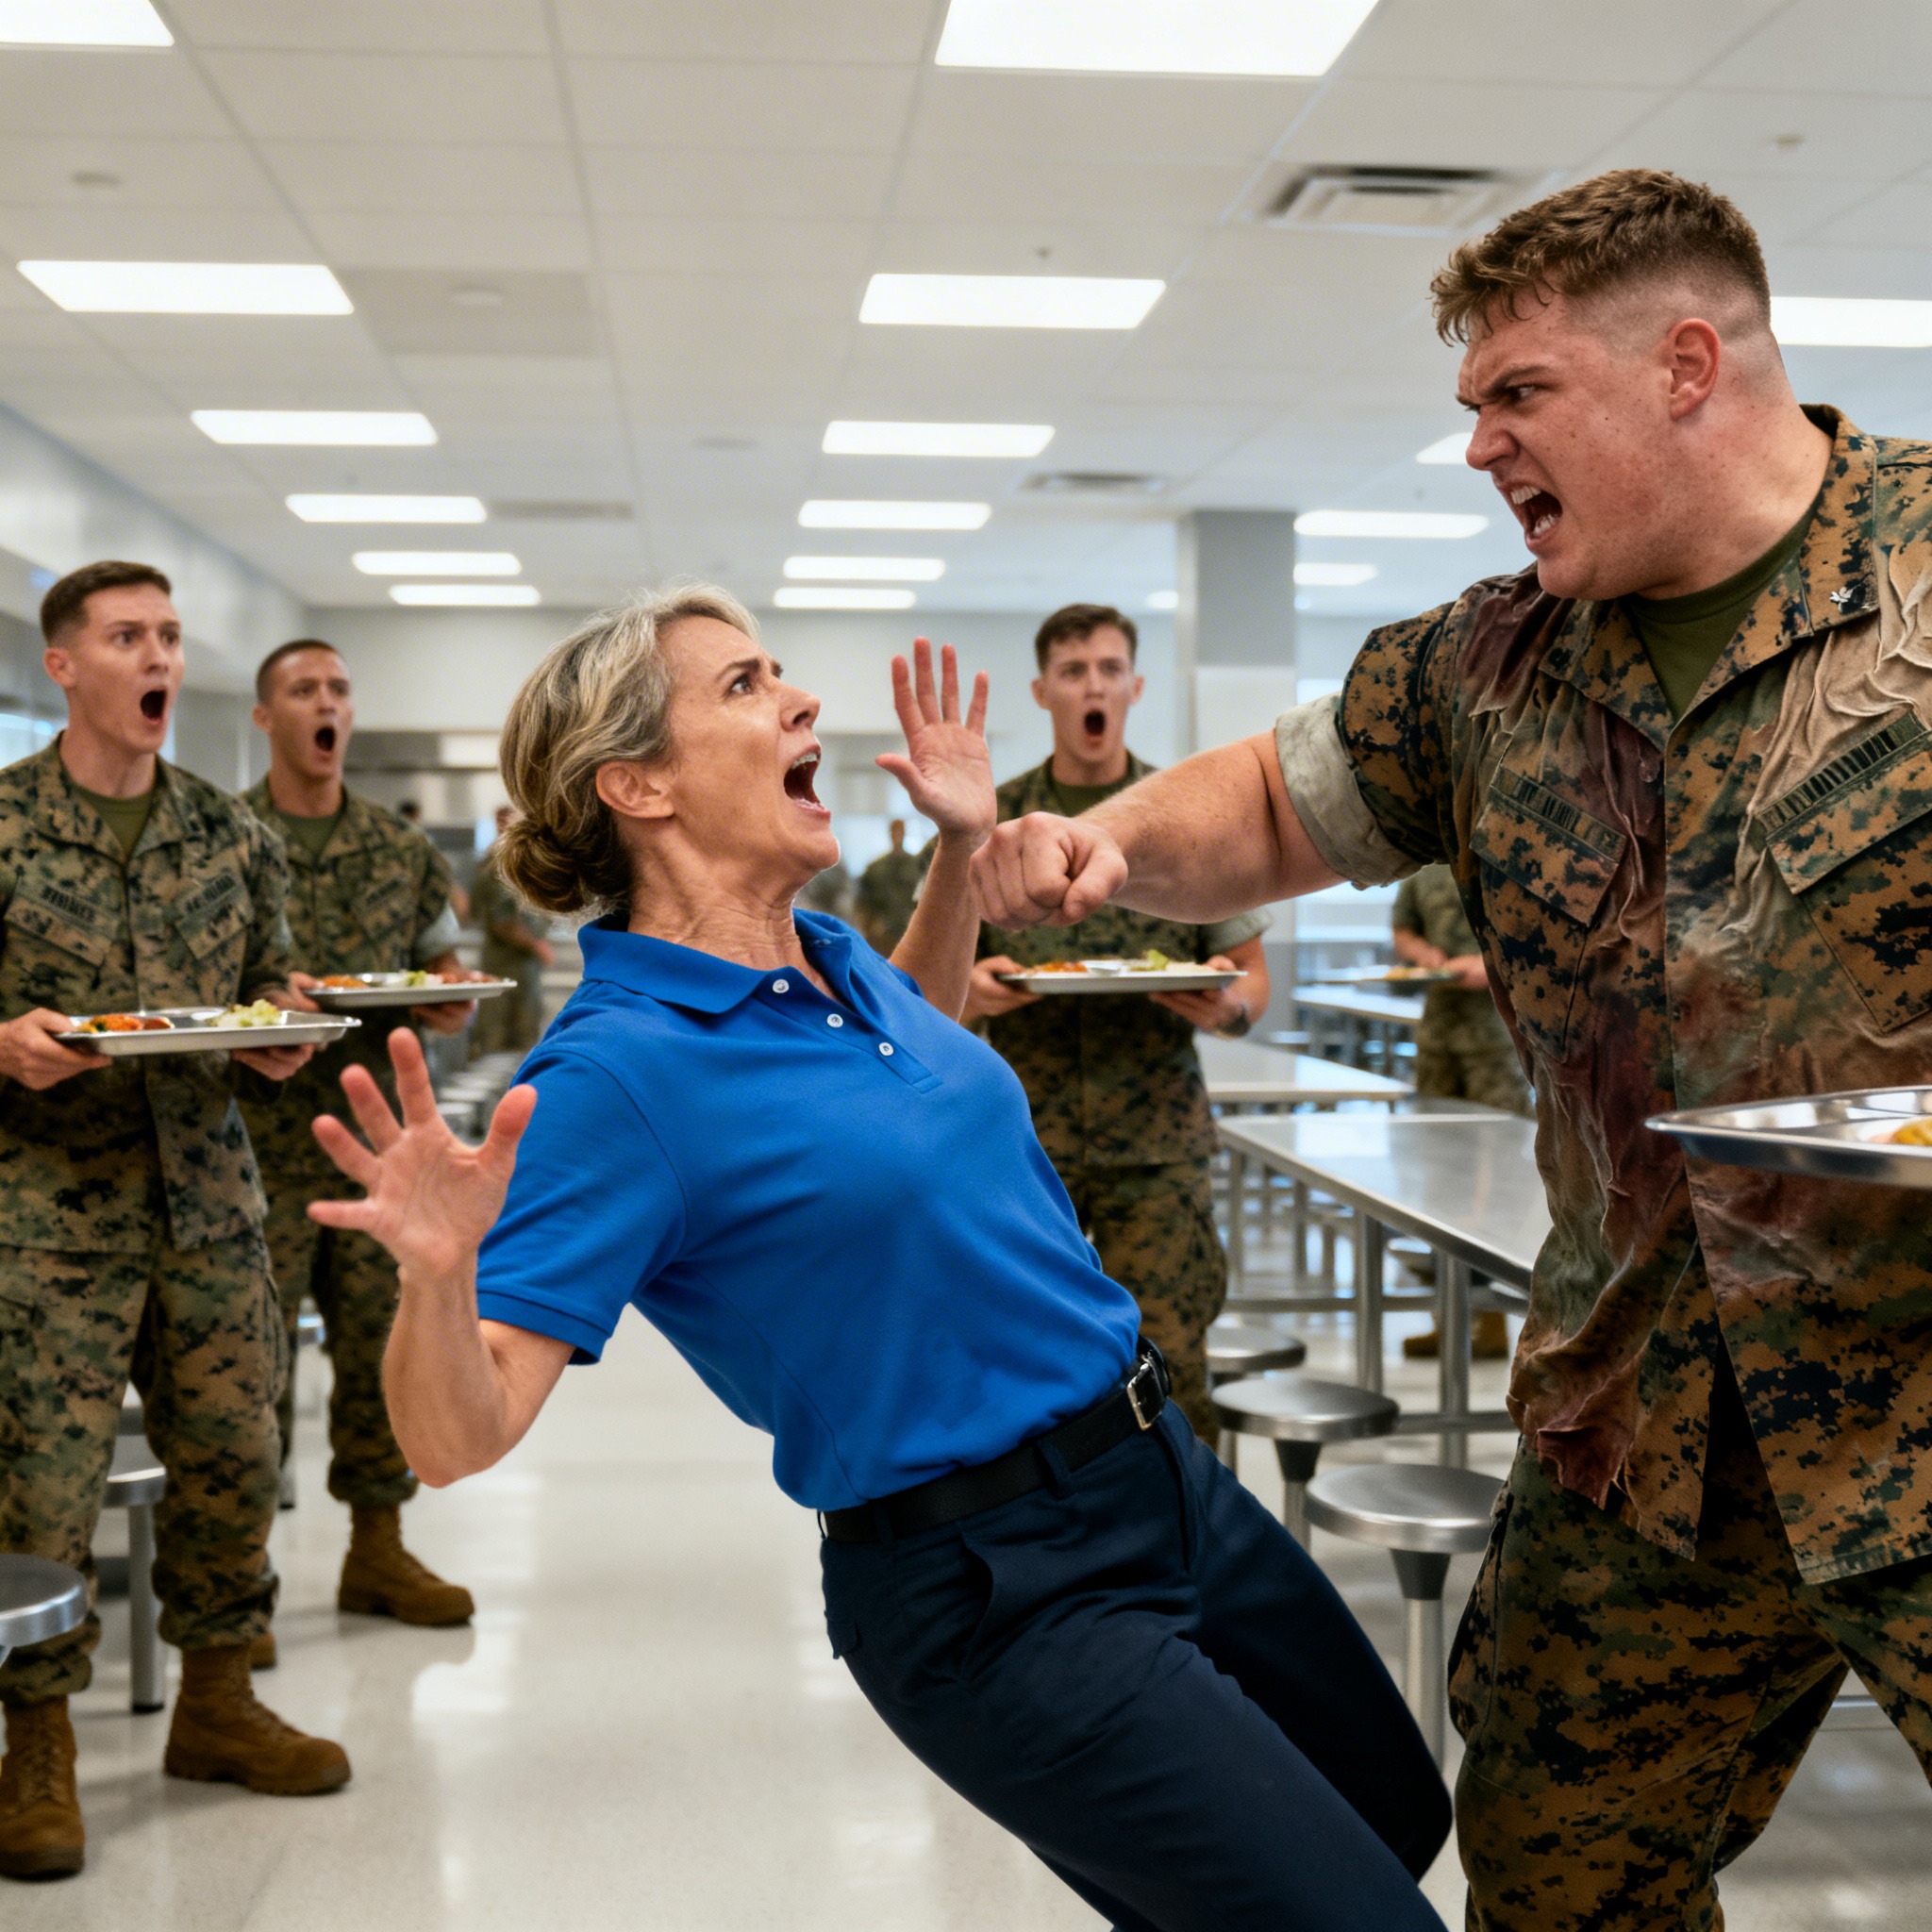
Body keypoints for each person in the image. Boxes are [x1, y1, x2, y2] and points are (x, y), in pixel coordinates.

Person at [972, 168, 1932, 1931]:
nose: (1480, 446)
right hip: (1641, 1427)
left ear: (1685, 365)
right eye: (1468, 405)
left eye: (1516, 395)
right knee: (1560, 1884)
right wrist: (1112, 851)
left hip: (1918, 1393)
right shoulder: (1481, 667)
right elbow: (1271, 796)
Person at [305, 588, 1450, 1931]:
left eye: (780, 673)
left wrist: (964, 850)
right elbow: (461, 1436)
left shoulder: (831, 956)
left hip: (1161, 1474)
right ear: (638, 785)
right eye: (742, 686)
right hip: (999, 1590)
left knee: (1397, 1814)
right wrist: (436, 1279)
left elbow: (921, 1019)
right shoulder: (615, 1077)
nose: (799, 701)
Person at [0, 562, 349, 1883]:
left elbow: (268, 987)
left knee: (229, 1457)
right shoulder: (3, 826)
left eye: (168, 636)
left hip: (209, 1202)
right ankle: (34, 1745)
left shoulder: (226, 833)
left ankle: (216, 1700)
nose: (156, 657)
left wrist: (283, 1027)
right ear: (65, 668)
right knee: (43, 1483)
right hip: (47, 1219)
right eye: (127, 636)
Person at [964, 604, 1270, 1441]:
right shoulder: (997, 826)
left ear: (1134, 685)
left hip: (1159, 1146)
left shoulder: (1188, 815)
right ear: (1043, 691)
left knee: (1172, 1373)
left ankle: (1190, 1560)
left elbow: (1250, 982)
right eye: (1073, 671)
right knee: (1026, 1373)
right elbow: (921, 983)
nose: (1092, 685)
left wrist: (1228, 1006)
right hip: (1024, 1148)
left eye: (1107, 669)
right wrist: (971, 990)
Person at [237, 638, 480, 1641]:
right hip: (248, 1152)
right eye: (304, 689)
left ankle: (376, 1549)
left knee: (382, 1349)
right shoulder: (224, 837)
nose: (325, 702)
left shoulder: (399, 849)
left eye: (338, 687)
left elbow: (437, 966)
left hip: (379, 1149)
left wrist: (450, 999)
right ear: (267, 716)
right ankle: (233, 1588)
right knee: (243, 1376)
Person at [1389, 863, 1531, 1362]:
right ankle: (1447, 1318)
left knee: (1496, 1179)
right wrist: (1422, 954)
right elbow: (1403, 928)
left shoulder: (1503, 855)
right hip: (1440, 1036)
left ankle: (1492, 1320)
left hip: (1496, 1040)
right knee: (1440, 1177)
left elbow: (1541, 936)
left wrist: (1489, 963)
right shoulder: (1421, 867)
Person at [471, 806, 552, 1058]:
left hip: (518, 968)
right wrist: (536, 944)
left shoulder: (509, 858)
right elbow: (502, 921)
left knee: (518, 1042)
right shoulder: (502, 863)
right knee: (504, 1046)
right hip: (508, 967)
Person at [853, 818, 924, 952]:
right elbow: (863, 904)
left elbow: (926, 901)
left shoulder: (918, 867)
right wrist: (870, 929)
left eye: (900, 831)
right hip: (883, 938)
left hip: (913, 934)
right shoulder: (875, 868)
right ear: (890, 833)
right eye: (894, 831)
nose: (897, 835)